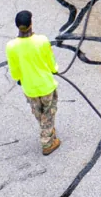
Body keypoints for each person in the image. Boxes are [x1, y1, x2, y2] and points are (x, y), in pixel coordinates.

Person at [6, 10, 61, 155]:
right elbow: (50, 61)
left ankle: (47, 130)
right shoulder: (41, 40)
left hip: (29, 87)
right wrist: (54, 69)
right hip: (45, 85)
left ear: (17, 26)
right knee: (48, 112)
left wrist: (19, 78)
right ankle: (47, 143)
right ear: (31, 23)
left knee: (38, 111)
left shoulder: (11, 46)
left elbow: (14, 69)